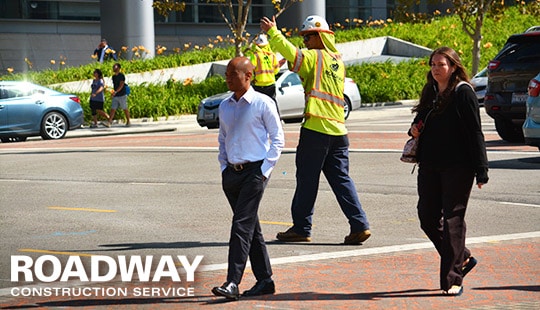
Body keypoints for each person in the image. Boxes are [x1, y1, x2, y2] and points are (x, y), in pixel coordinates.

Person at [260, 15, 371, 245]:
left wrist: (273, 32)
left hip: (316, 129)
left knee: (307, 180)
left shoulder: (314, 56)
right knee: (341, 180)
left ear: (320, 36)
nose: (305, 41)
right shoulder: (337, 61)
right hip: (339, 131)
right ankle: (359, 224)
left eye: (308, 36)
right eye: (304, 37)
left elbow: (294, 54)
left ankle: (301, 228)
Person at [409, 46, 488, 296]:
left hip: (459, 166)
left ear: (453, 67)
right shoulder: (430, 91)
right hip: (430, 165)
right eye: (433, 64)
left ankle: (453, 279)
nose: (435, 69)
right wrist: (414, 128)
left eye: (441, 65)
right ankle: (461, 256)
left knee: (453, 220)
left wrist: (481, 168)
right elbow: (419, 118)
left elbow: (476, 132)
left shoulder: (463, 93)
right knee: (427, 217)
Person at [211, 57, 284, 300]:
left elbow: (278, 139)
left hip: (255, 172)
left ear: (248, 76)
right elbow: (223, 139)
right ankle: (265, 280)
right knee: (251, 228)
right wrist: (224, 167)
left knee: (241, 226)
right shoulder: (225, 106)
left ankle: (233, 282)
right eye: (227, 75)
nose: (228, 78)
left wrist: (264, 172)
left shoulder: (263, 103)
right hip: (232, 174)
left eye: (233, 74)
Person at [248, 34, 281, 108]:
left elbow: (250, 70)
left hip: (258, 85)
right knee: (272, 104)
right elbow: (276, 70)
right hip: (271, 84)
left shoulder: (255, 55)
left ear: (257, 45)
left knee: (258, 105)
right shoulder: (272, 55)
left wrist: (252, 80)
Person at [107, 63, 130, 127]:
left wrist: (115, 92)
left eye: (115, 67)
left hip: (122, 94)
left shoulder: (121, 76)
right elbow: (115, 86)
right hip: (116, 95)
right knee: (113, 109)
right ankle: (109, 122)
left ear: (119, 68)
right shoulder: (113, 77)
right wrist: (113, 93)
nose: (114, 68)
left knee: (124, 108)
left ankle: (128, 121)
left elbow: (121, 85)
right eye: (113, 67)